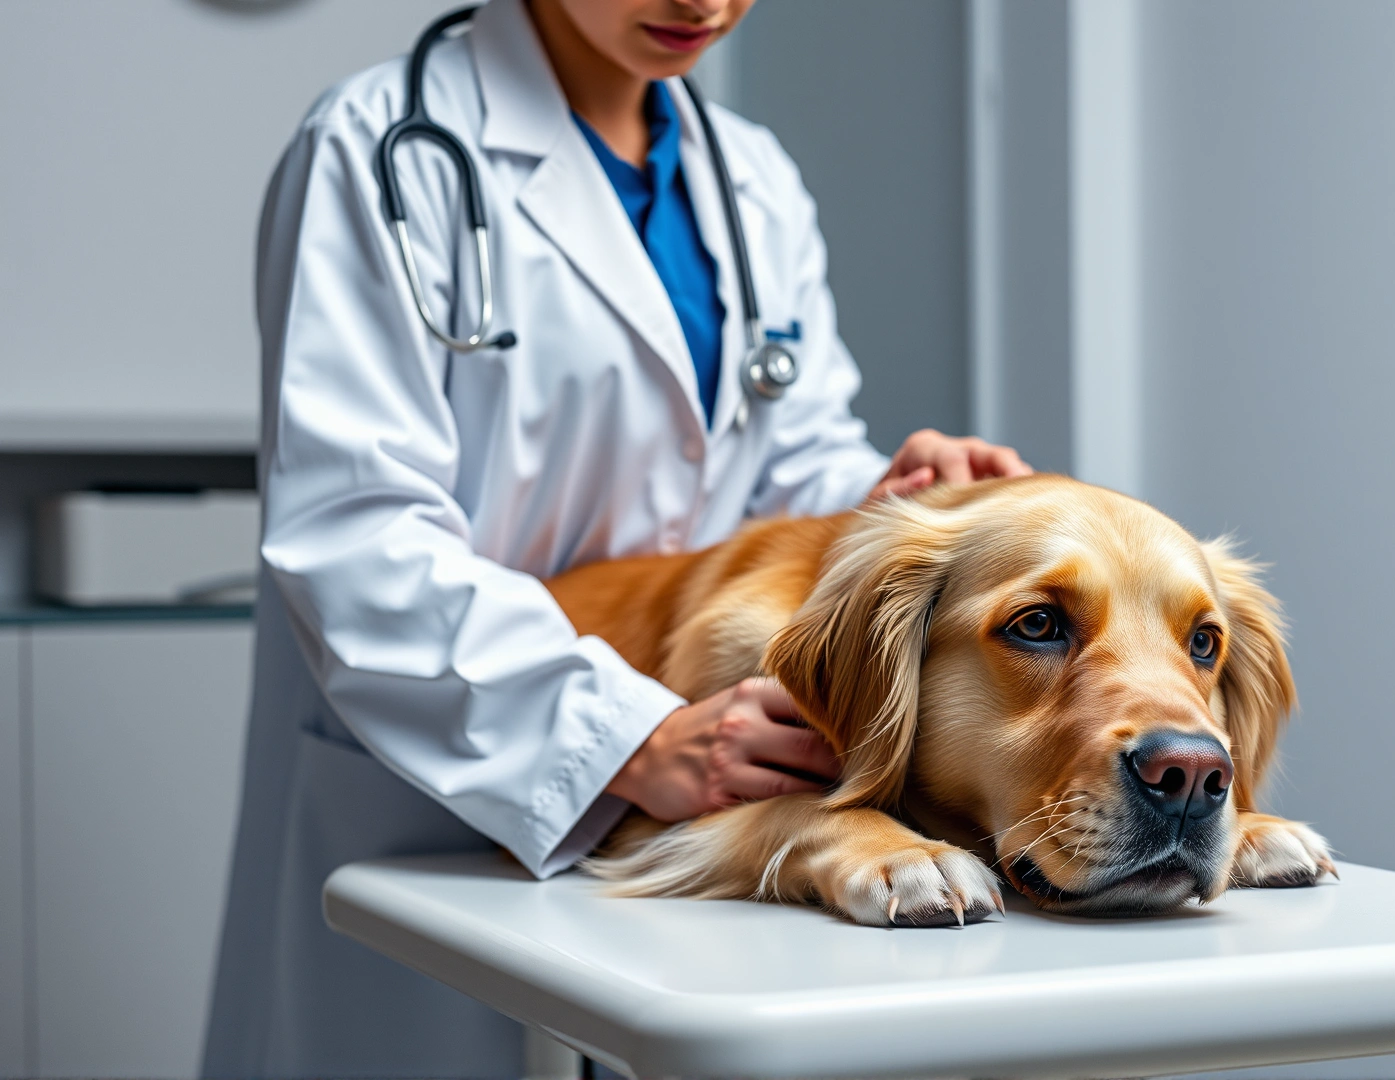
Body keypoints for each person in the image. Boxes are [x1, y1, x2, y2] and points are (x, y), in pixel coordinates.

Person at [202, 1, 1029, 1075]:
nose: (704, 4)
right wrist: (626, 740)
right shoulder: (378, 151)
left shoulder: (752, 179)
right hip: (450, 780)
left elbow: (773, 471)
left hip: (699, 808)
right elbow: (356, 536)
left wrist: (881, 497)